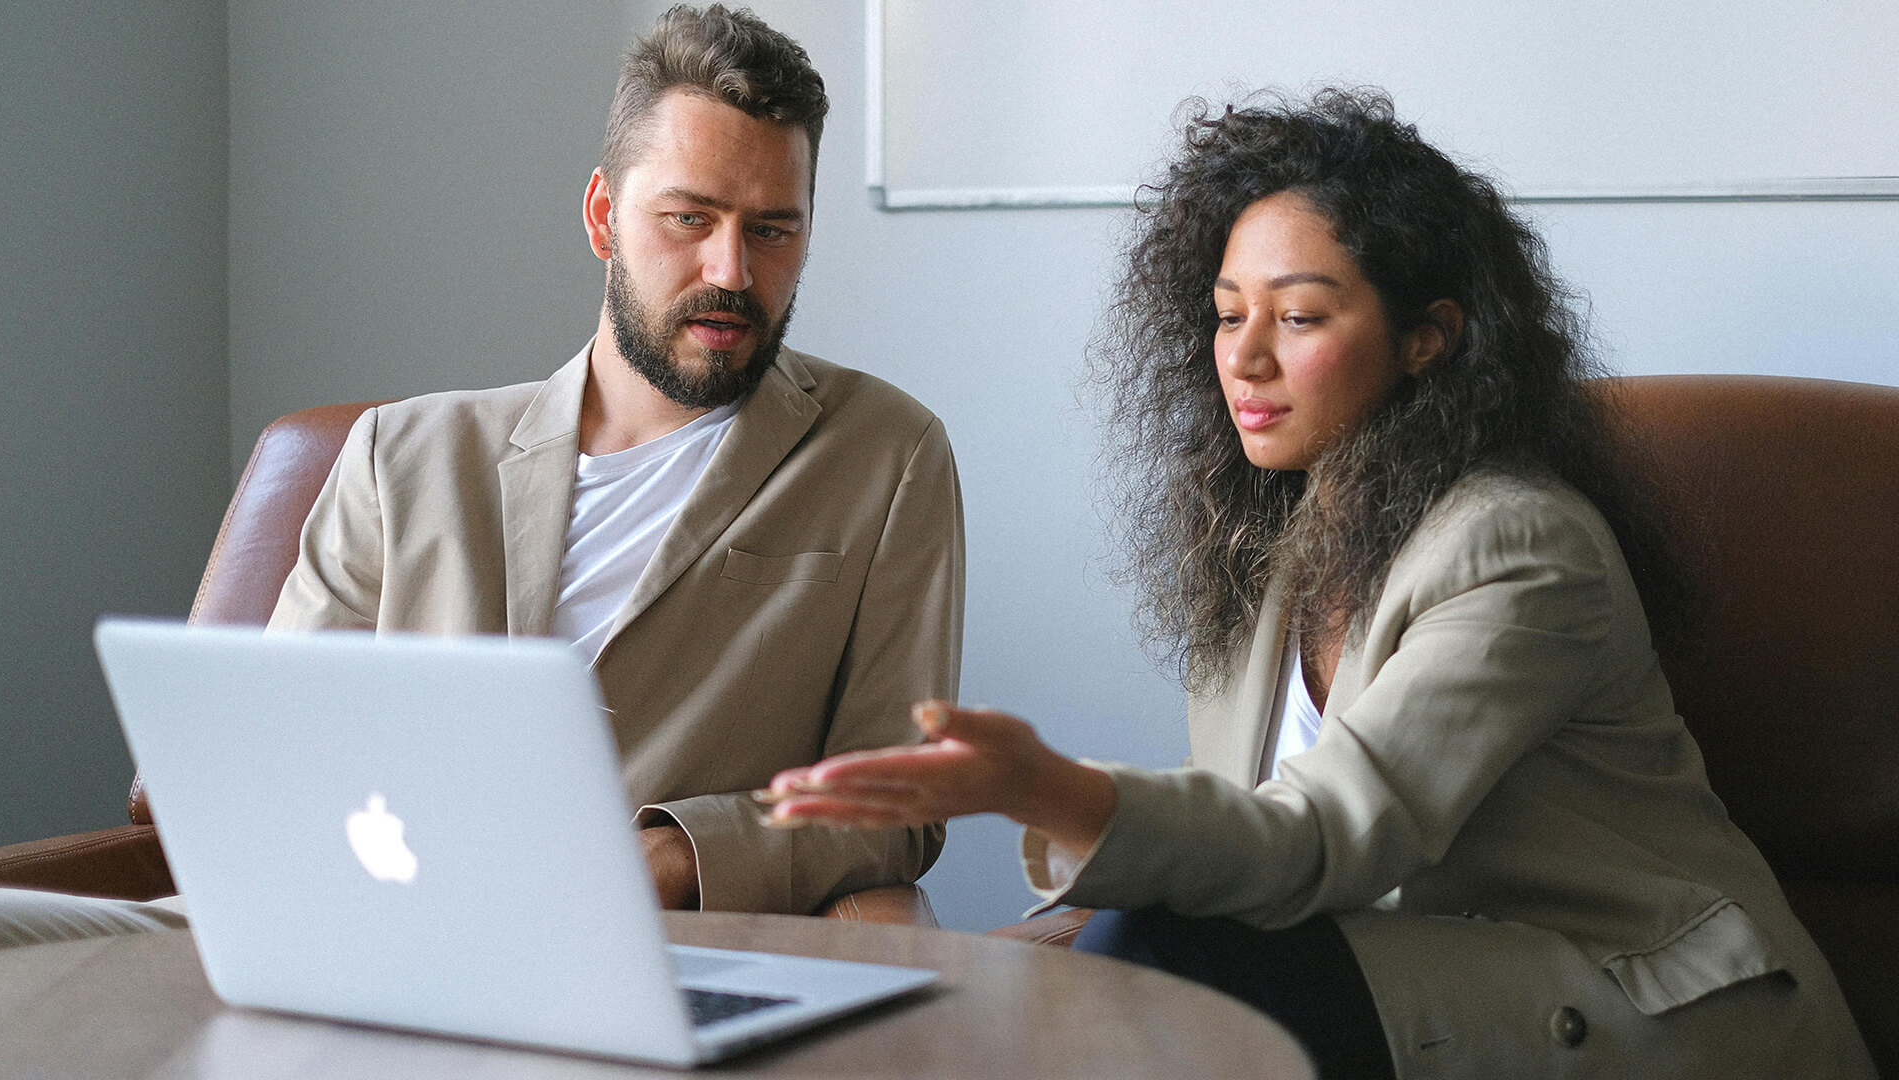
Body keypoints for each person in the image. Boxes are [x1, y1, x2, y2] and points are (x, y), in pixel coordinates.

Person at [760, 90, 1875, 1078]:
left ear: (1428, 339)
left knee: (1163, 965)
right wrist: (965, 972)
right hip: (1414, 991)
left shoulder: (1523, 549)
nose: (1243, 357)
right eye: (1226, 312)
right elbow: (1235, 860)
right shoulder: (1268, 545)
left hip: (1655, 1015)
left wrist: (1042, 785)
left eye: (1297, 318)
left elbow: (1323, 839)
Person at [0, 3, 957, 948]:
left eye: (773, 230)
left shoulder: (884, 454)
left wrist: (657, 861)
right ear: (603, 216)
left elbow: (899, 800)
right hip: (305, 921)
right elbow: (272, 751)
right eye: (690, 217)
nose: (731, 270)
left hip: (615, 950)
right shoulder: (401, 455)